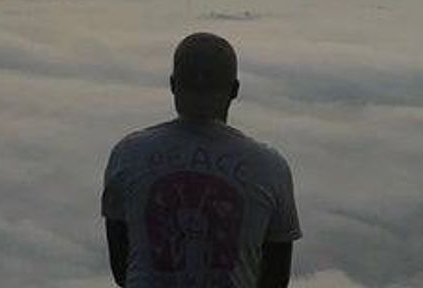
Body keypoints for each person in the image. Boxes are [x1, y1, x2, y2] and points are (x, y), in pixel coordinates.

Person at [101, 33, 300, 288]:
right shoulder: (270, 168)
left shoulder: (127, 155)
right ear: (235, 89)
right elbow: (276, 278)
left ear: (173, 84)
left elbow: (122, 268)